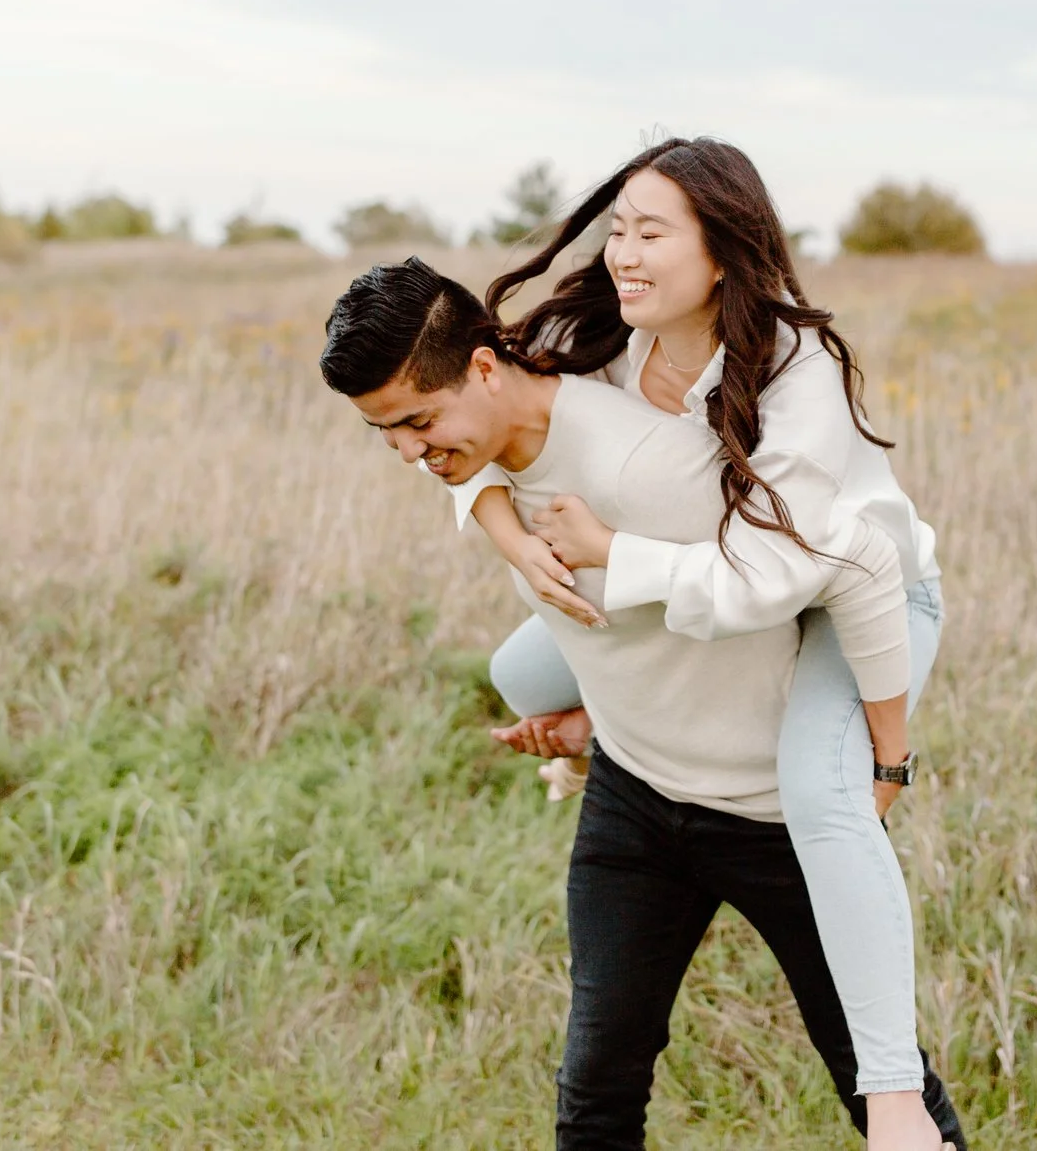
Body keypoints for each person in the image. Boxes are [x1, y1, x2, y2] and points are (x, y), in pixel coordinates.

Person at [320, 260, 965, 1151]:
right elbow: (480, 463)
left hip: (766, 811)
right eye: (382, 432)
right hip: (635, 804)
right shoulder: (486, 440)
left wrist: (884, 752)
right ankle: (594, 725)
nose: (406, 452)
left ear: (480, 368)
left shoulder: (652, 465)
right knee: (595, 1093)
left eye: (417, 423)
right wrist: (504, 526)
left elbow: (855, 560)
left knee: (883, 1090)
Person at [457, 137, 951, 1151]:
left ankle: (895, 1101)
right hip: (702, 617)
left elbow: (776, 579)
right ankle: (606, 721)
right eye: (617, 229)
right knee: (517, 671)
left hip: (854, 601)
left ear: (721, 250)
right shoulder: (605, 341)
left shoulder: (794, 371)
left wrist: (611, 550)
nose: (624, 253)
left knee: (821, 793)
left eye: (652, 232)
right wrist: (506, 524)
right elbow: (465, 427)